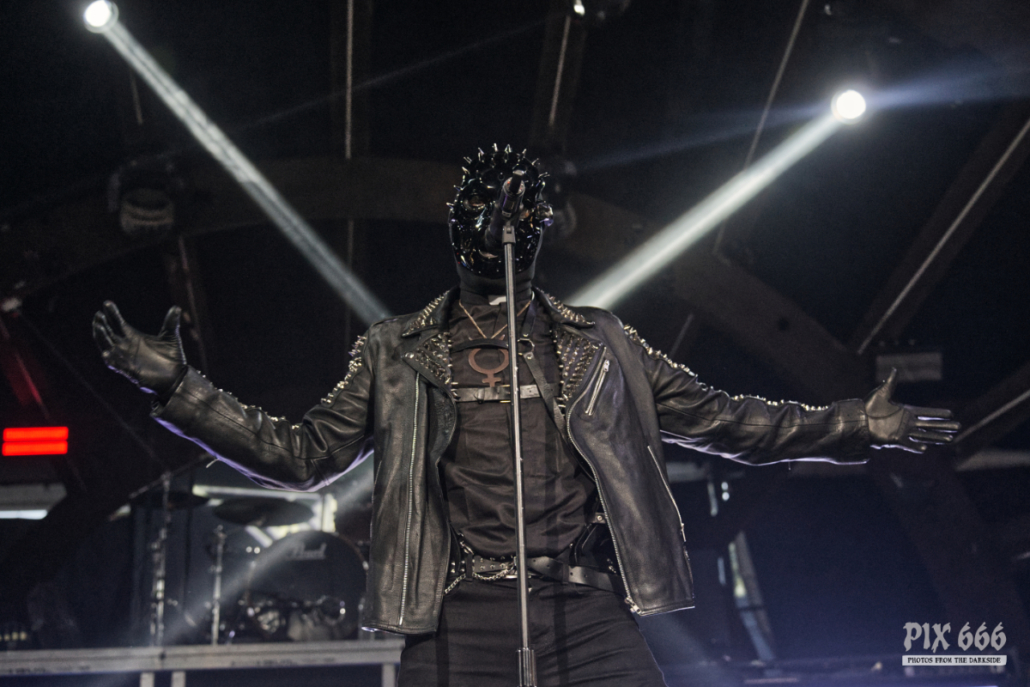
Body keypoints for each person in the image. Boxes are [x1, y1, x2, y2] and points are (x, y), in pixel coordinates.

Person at [93, 145, 960, 686]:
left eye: (516, 213)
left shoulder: (601, 343)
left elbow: (727, 420)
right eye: (484, 209)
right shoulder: (398, 349)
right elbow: (302, 453)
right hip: (457, 616)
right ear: (459, 226)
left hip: (587, 611)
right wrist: (181, 390)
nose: (500, 225)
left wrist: (855, 422)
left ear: (536, 230)